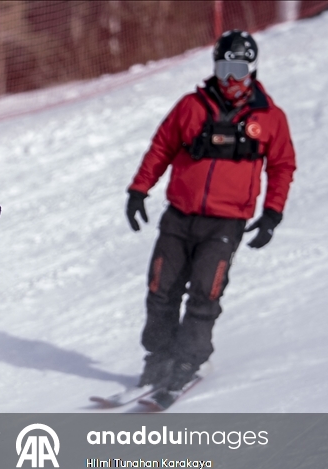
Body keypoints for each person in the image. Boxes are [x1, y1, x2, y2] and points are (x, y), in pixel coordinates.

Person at [125, 29, 296, 395]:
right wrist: (139, 190)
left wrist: (272, 213)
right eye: (223, 67)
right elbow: (161, 148)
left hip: (226, 221)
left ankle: (188, 360)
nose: (230, 78)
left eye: (238, 68)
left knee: (206, 292)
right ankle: (158, 359)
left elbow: (282, 165)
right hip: (179, 216)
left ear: (252, 69)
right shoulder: (192, 106)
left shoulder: (269, 117)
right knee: (161, 288)